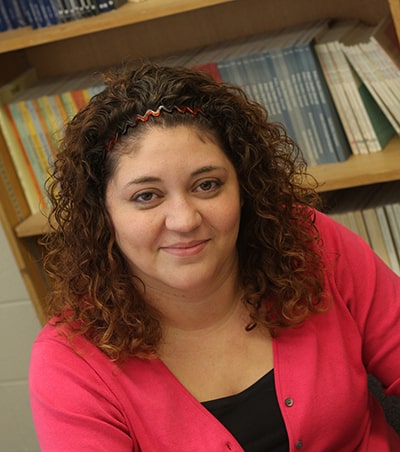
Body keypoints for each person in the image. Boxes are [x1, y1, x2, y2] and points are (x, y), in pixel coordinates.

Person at [29, 62, 400, 451]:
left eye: (207, 185)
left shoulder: (308, 243)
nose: (185, 220)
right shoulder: (70, 363)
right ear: (102, 213)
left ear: (243, 187)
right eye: (146, 196)